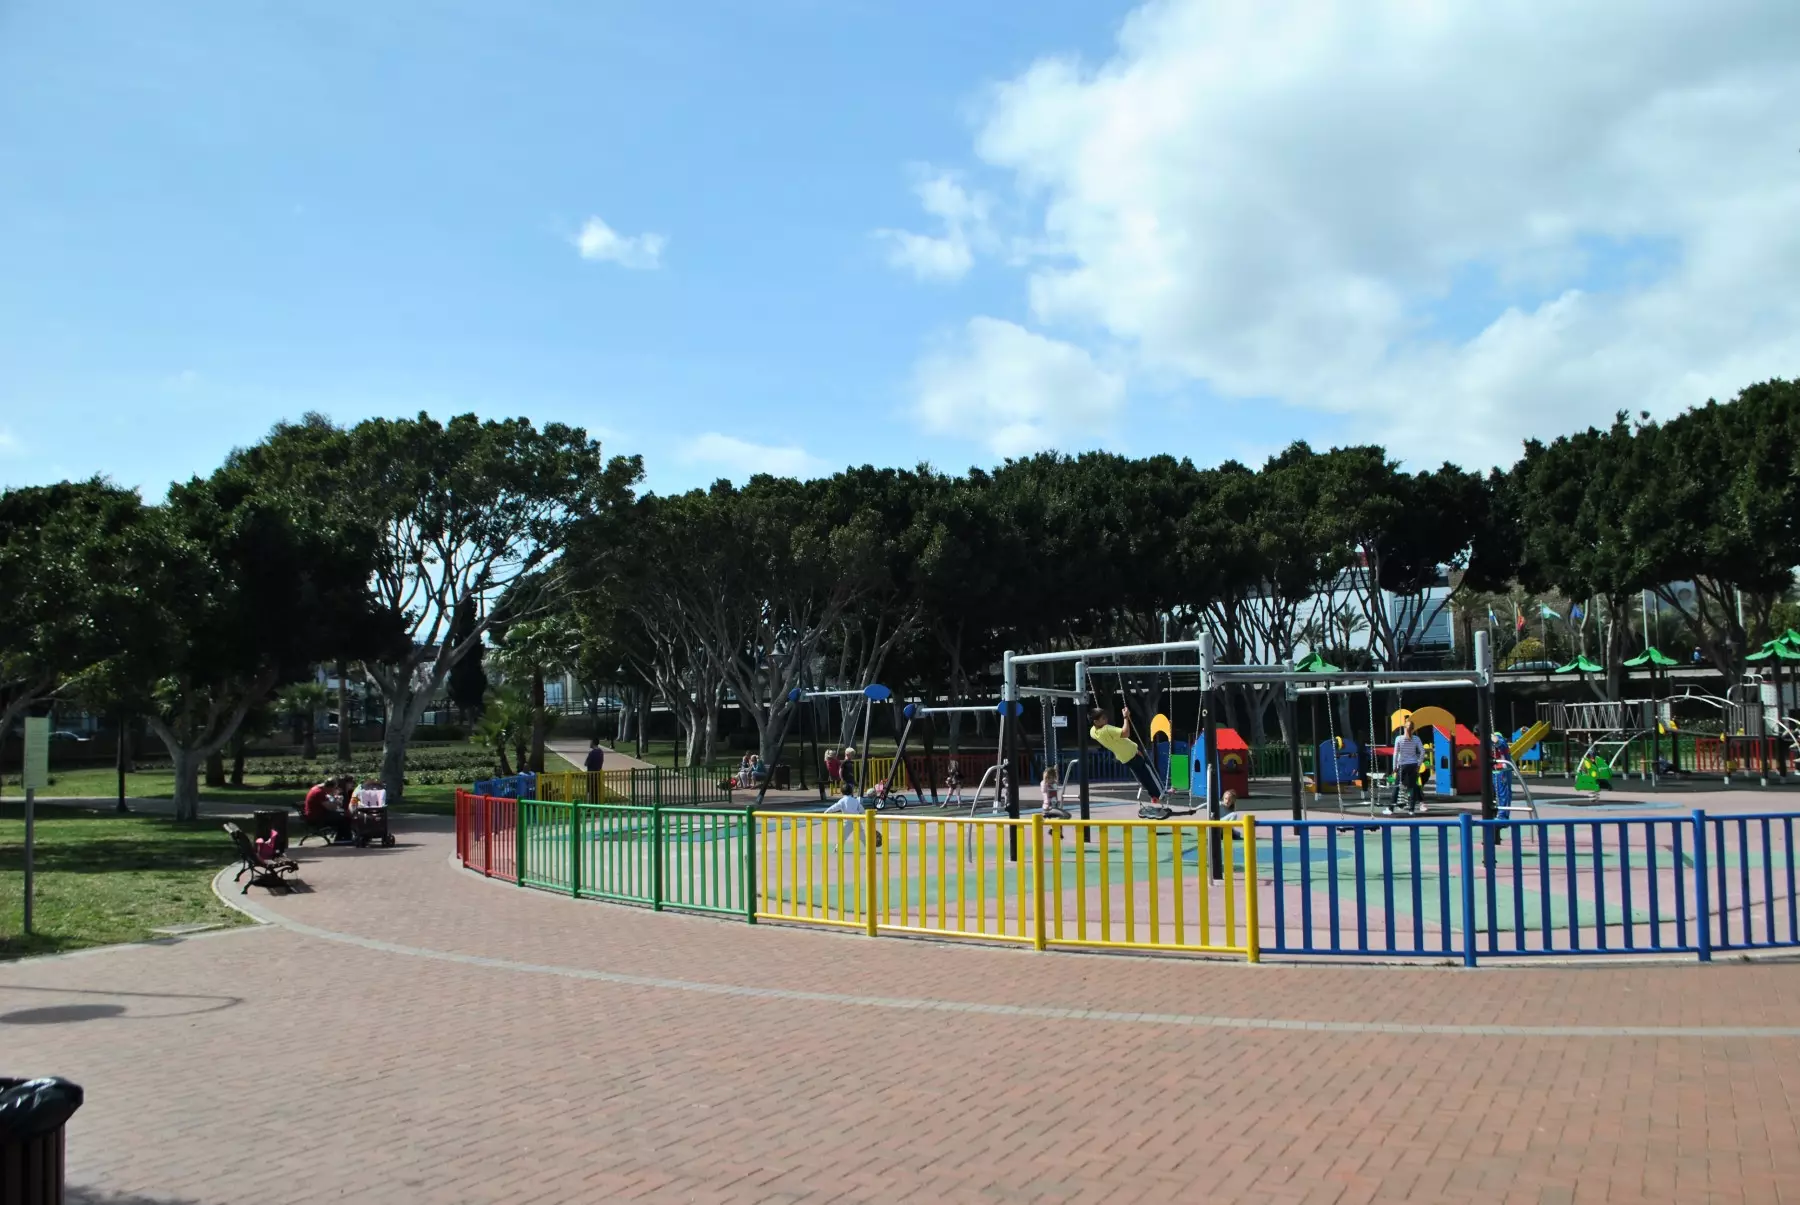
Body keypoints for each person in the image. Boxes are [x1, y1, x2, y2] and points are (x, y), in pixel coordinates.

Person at [1089, 705, 1167, 819]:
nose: (1106, 719)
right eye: (1103, 718)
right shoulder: (1106, 729)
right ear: (1096, 721)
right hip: (1133, 754)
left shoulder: (1093, 731)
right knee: (1149, 773)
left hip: (1124, 758)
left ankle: (1154, 796)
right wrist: (1126, 717)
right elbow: (1126, 733)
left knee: (1142, 777)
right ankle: (1161, 793)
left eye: (1105, 717)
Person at [1387, 719, 1425, 815]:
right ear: (1413, 729)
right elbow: (1422, 752)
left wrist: (1394, 767)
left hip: (1402, 765)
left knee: (1397, 786)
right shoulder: (1416, 739)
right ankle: (1411, 810)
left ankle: (1391, 809)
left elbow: (1395, 754)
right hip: (1413, 765)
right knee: (1412, 787)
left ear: (1404, 728)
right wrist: (1419, 764)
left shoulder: (1399, 739)